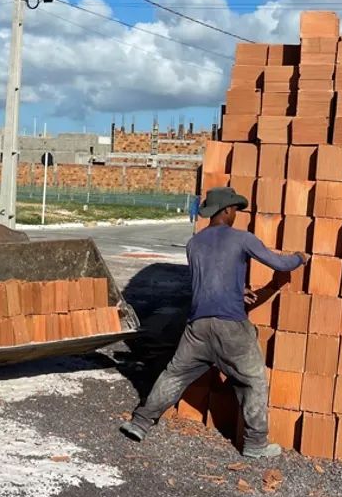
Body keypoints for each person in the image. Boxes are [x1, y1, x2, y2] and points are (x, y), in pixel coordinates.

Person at [119, 185, 309, 459]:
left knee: (174, 375)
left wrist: (235, 290)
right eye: (235, 211)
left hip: (197, 327)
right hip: (230, 326)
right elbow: (279, 264)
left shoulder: (193, 243)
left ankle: (140, 422)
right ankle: (255, 444)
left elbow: (205, 281)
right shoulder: (242, 239)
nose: (236, 215)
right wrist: (299, 258)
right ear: (228, 210)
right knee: (253, 380)